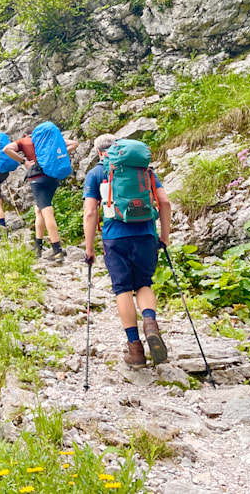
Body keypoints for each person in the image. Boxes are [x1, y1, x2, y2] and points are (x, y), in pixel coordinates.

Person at [82, 134, 172, 368]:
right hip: (146, 235)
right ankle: (150, 323)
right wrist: (164, 237)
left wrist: (89, 248)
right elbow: (165, 203)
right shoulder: (145, 171)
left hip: (115, 238)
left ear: (100, 152)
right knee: (144, 284)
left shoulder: (96, 173)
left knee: (122, 289)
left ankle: (136, 350)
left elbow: (91, 213)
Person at [4, 130, 79, 263]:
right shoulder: (50, 140)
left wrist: (23, 162)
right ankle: (38, 247)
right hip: (52, 177)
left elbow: (7, 149)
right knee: (39, 210)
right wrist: (55, 158)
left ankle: (57, 250)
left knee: (46, 210)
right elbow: (74, 143)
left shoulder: (24, 141)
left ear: (25, 135)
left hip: (37, 179)